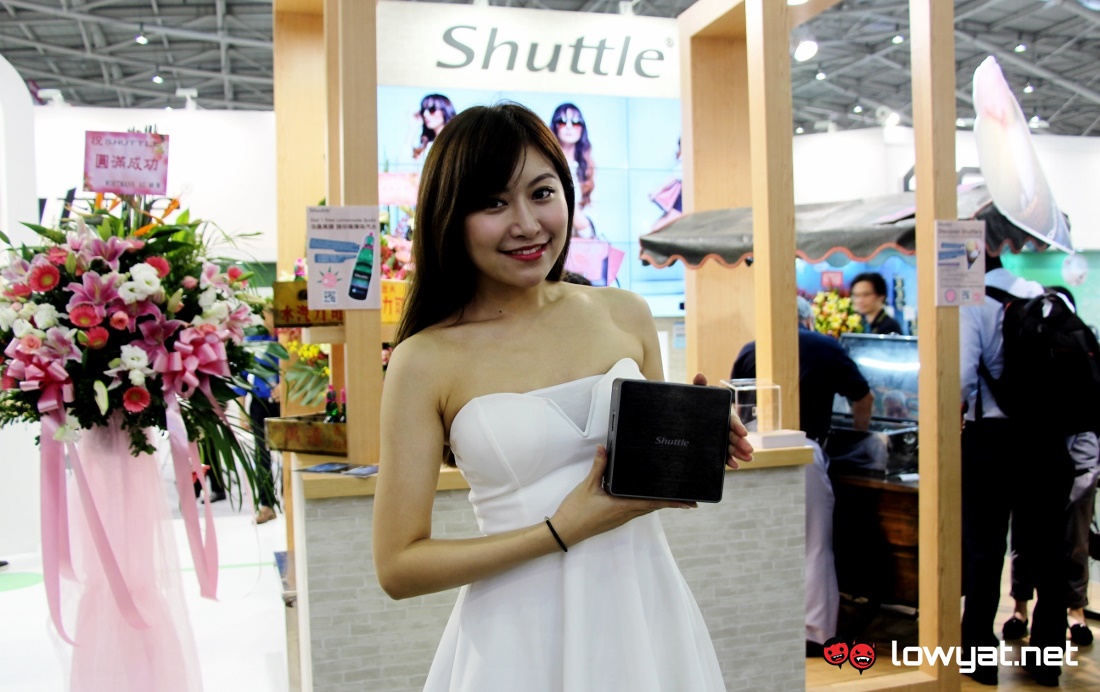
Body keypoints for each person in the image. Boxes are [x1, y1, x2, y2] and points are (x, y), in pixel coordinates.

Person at [372, 102, 753, 691]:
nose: (527, 224)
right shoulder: (424, 360)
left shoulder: (625, 313)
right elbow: (398, 567)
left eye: (542, 193)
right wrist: (557, 531)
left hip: (643, 616)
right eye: (493, 203)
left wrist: (695, 439)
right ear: (450, 216)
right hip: (517, 639)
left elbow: (648, 485)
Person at [731, 296, 873, 657]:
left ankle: (766, 621)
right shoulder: (826, 346)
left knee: (764, 541)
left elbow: (734, 405)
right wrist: (861, 435)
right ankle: (816, 632)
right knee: (814, 543)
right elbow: (863, 397)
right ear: (808, 319)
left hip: (754, 453)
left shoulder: (752, 348)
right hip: (802, 451)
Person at [959, 250, 1074, 687]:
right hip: (1047, 441)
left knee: (984, 552)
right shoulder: (1041, 296)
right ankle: (1046, 659)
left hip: (992, 441)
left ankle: (979, 659)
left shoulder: (972, 301)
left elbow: (960, 377)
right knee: (1049, 553)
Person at [1002, 286, 1099, 649]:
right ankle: (1075, 615)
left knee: (1025, 535)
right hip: (1078, 448)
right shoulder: (1082, 335)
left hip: (1033, 447)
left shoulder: (1024, 331)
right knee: (1074, 538)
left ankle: (1019, 610)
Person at [549, 103, 596, 238]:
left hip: (582, 239)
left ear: (582, 128)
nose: (569, 126)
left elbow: (590, 226)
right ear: (554, 126)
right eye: (562, 121)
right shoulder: (545, 164)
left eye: (575, 122)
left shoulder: (589, 168)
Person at [412, 94, 456, 161]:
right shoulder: (426, 146)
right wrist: (413, 128)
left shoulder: (457, 143)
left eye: (432, 109)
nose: (425, 114)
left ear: (445, 111)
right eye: (423, 110)